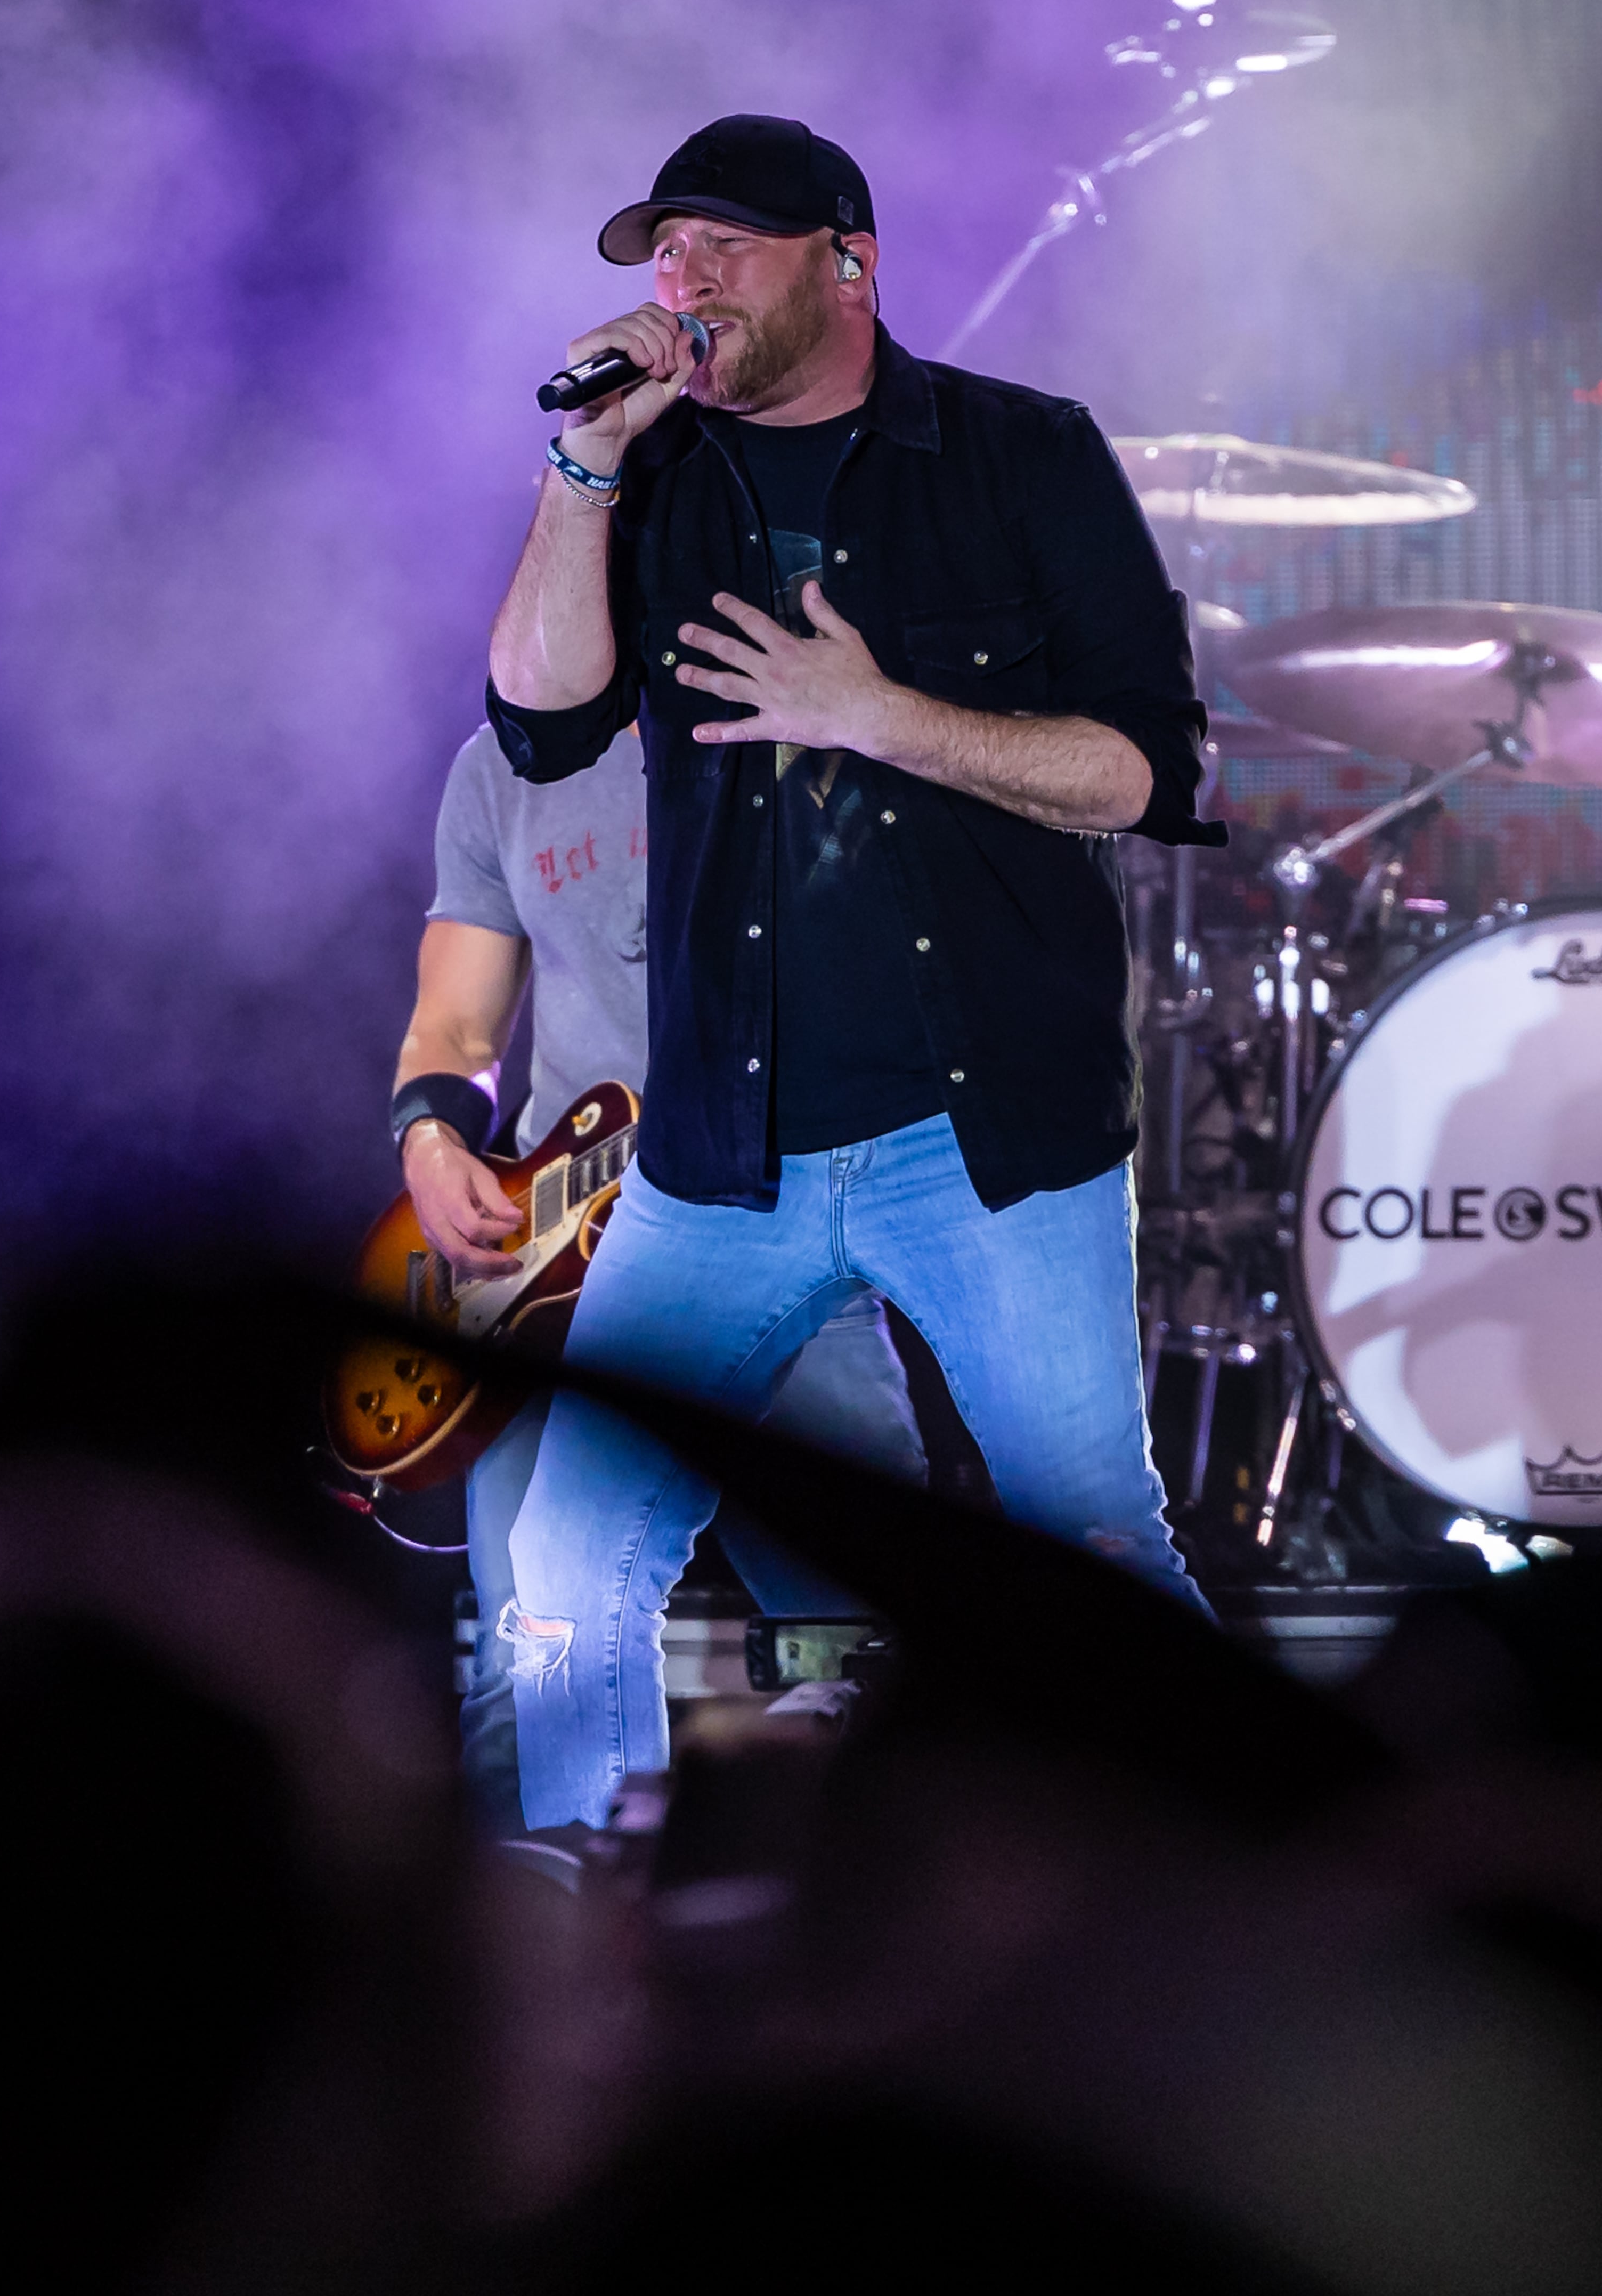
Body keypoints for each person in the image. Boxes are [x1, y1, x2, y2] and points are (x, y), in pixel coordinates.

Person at [484, 110, 1219, 1830]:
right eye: (665, 256)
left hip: (986, 1147)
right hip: (724, 1151)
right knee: (569, 1554)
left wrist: (880, 718)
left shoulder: (1022, 459)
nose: (686, 282)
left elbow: (1145, 769)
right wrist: (582, 463)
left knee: (1097, 1549)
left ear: (850, 264)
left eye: (723, 247)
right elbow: (534, 719)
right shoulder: (649, 480)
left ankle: (1254, 1892)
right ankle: (587, 1940)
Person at [392, 713, 926, 1824]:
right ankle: (558, 1961)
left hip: (776, 1236)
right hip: (552, 1273)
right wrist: (434, 1144)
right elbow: (453, 1023)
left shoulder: (799, 724)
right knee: (528, 1667)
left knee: (859, 1648)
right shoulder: (501, 767)